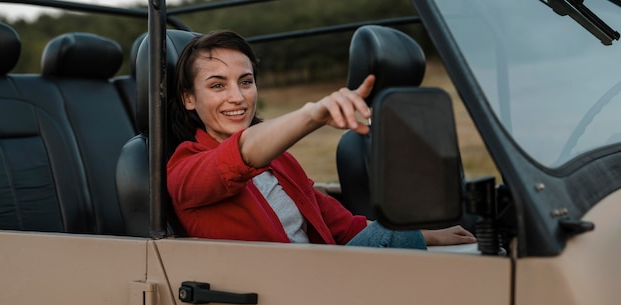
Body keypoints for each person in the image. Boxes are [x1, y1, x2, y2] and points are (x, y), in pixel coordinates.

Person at [167, 30, 475, 250]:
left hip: (321, 276)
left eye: (246, 82)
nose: (238, 97)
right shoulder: (185, 168)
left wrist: (429, 235)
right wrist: (313, 114)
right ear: (189, 98)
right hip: (275, 297)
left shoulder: (280, 160)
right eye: (218, 85)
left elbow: (344, 226)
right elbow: (238, 156)